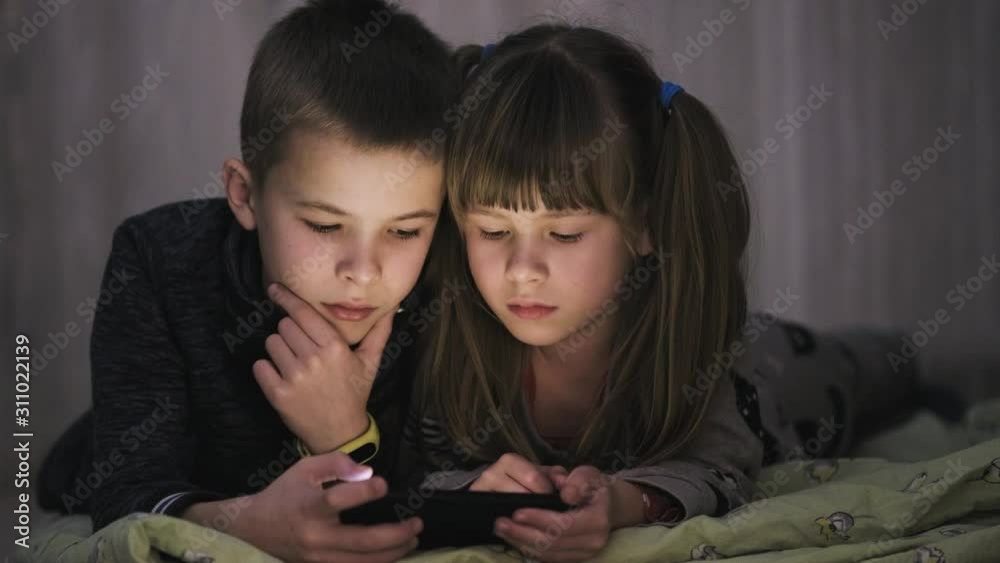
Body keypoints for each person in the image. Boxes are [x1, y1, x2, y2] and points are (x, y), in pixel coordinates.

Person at [404, 25, 881, 562]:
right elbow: (415, 471)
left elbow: (720, 468)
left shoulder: (703, 346)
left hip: (783, 365)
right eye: (492, 231)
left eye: (564, 234)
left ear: (644, 225)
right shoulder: (443, 335)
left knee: (873, 364)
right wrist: (472, 492)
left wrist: (623, 502)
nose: (522, 271)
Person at [39, 1, 460, 561]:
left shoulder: (445, 283)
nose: (363, 270)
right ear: (244, 194)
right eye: (326, 224)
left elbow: (413, 501)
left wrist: (344, 434)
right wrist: (245, 524)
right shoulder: (158, 259)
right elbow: (127, 494)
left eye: (404, 230)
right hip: (88, 461)